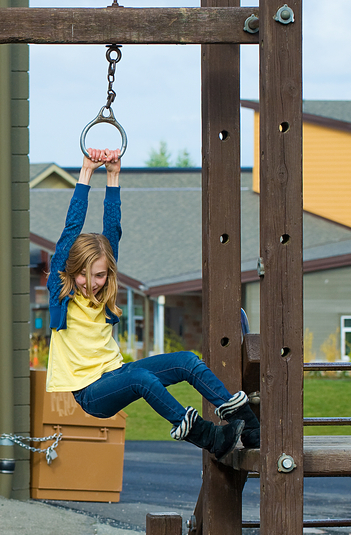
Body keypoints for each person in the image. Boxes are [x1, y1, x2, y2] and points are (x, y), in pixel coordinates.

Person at [45, 148, 261, 458]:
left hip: (117, 375)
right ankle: (207, 435)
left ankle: (247, 424)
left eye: (99, 276)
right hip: (91, 393)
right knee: (141, 378)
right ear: (71, 270)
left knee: (187, 360)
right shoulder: (61, 294)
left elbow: (112, 231)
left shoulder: (103, 294)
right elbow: (69, 232)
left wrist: (115, 175)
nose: (91, 283)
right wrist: (87, 173)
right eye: (83, 274)